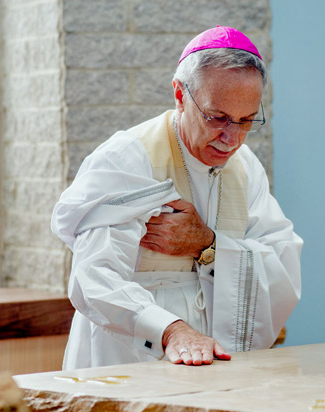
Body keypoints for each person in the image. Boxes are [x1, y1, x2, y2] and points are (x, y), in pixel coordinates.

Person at [51, 26, 302, 370]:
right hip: (125, 358)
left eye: (246, 121)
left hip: (213, 356)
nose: (232, 138)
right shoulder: (129, 158)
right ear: (180, 95)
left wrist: (208, 244)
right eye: (218, 118)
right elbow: (93, 277)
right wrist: (170, 330)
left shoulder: (246, 168)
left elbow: (281, 264)